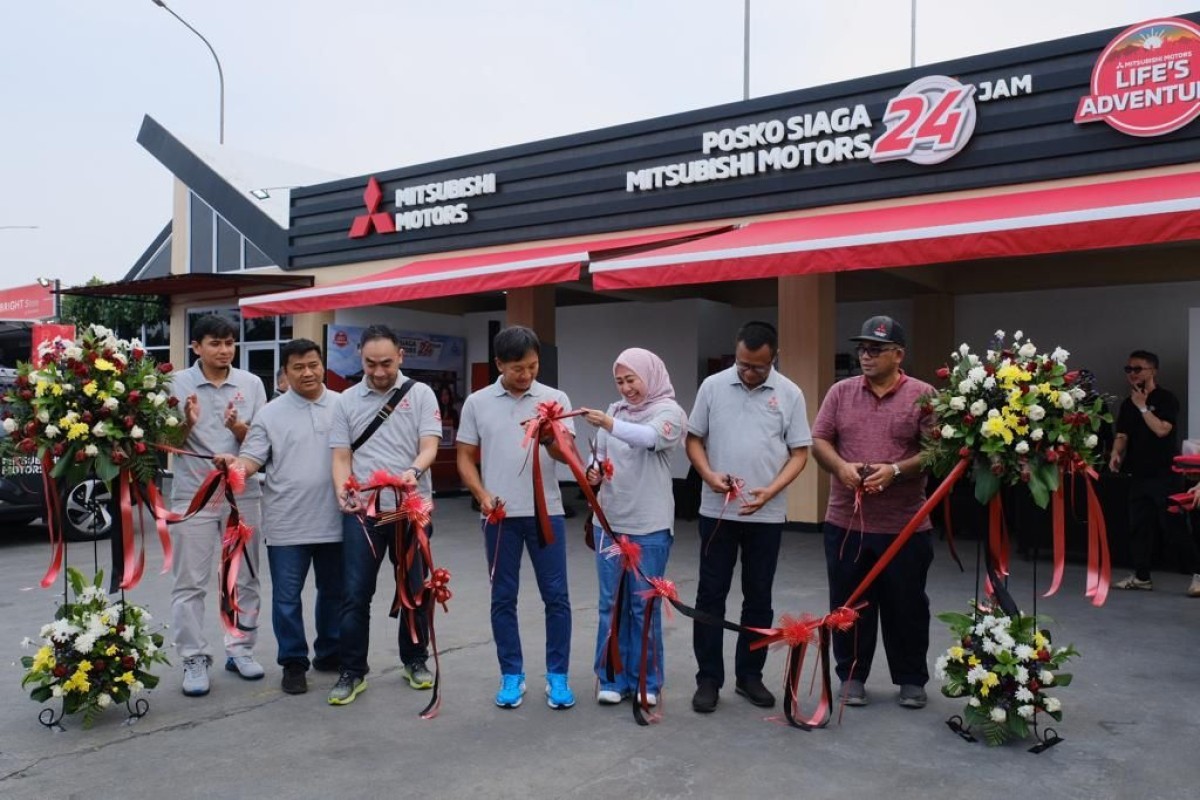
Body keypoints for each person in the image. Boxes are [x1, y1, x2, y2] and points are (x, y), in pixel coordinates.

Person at [811, 315, 936, 709]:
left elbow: (940, 452)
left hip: (905, 525)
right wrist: (840, 466)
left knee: (908, 605)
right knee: (849, 603)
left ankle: (911, 679)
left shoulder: (924, 395)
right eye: (862, 349)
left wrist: (897, 470)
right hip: (847, 521)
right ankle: (851, 675)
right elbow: (819, 440)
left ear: (899, 355)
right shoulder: (840, 393)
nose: (866, 356)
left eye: (876, 349)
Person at [686, 321, 811, 714]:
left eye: (756, 367)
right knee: (710, 594)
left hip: (766, 513)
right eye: (742, 364)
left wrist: (771, 491)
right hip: (717, 511)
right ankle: (708, 678)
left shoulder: (790, 394)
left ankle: (749, 675)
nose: (748, 372)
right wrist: (708, 475)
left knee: (759, 597)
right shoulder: (713, 387)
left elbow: (800, 452)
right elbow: (694, 439)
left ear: (773, 358)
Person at [456, 325, 577, 710]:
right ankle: (512, 674)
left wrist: (549, 439)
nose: (526, 376)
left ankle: (557, 676)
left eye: (532, 366)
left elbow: (568, 453)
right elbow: (464, 456)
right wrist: (481, 495)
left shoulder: (554, 399)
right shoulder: (478, 402)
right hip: (500, 516)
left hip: (547, 514)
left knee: (556, 597)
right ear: (499, 365)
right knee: (503, 598)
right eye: (517, 369)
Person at [219, 339, 343, 695]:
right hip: (287, 524)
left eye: (313, 365)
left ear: (322, 365)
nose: (308, 373)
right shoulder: (270, 414)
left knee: (334, 593)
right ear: (285, 374)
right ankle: (293, 663)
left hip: (336, 520)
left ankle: (330, 653)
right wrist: (234, 464)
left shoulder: (343, 405)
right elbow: (252, 458)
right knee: (287, 598)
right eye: (298, 367)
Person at [327, 325, 442, 705]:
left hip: (410, 509)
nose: (378, 372)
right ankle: (352, 671)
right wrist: (344, 491)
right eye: (370, 364)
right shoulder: (345, 401)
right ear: (360, 359)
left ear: (401, 358)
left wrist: (415, 470)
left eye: (387, 364)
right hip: (364, 513)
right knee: (355, 593)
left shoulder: (421, 394)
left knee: (414, 590)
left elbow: (429, 446)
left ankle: (415, 660)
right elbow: (342, 456)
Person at [580, 348, 686, 706]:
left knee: (644, 605)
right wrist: (594, 469)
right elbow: (598, 454)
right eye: (620, 381)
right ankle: (611, 677)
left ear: (650, 376)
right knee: (611, 603)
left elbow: (648, 438)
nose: (626, 389)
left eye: (632, 380)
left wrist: (609, 425)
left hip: (649, 525)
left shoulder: (669, 412)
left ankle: (647, 682)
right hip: (609, 523)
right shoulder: (613, 411)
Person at [170, 314, 267, 697]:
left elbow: (261, 441)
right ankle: (193, 658)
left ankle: (240, 649)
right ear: (196, 346)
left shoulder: (251, 384)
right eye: (215, 343)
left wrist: (237, 431)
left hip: (242, 494)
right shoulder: (174, 383)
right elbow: (162, 441)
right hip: (192, 496)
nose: (224, 350)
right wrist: (187, 425)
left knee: (244, 576)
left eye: (229, 343)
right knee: (190, 582)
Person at [1109, 350, 1200, 596]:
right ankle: (1141, 577)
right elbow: (1122, 434)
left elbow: (1162, 430)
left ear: (1153, 371)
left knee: (1175, 527)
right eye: (1128, 369)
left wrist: (1142, 407)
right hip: (1138, 474)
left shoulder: (1166, 399)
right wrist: (1116, 453)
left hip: (1164, 475)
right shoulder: (1128, 404)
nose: (1132, 374)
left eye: (1137, 369)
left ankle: (1198, 574)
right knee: (1139, 526)